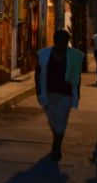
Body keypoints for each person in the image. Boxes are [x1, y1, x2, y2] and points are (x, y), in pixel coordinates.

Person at [35, 29, 85, 162]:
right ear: (55, 40)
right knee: (53, 122)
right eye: (60, 40)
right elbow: (38, 72)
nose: (62, 43)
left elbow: (77, 76)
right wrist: (38, 91)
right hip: (48, 93)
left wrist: (77, 93)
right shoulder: (45, 54)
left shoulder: (74, 56)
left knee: (61, 122)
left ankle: (56, 148)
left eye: (65, 40)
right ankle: (56, 141)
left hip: (65, 94)